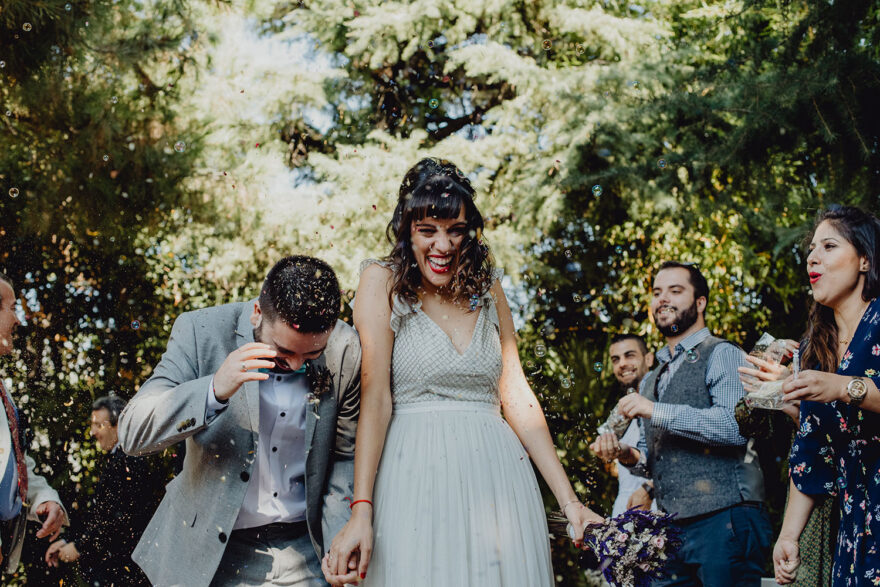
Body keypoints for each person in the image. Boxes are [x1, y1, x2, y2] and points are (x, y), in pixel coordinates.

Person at [323, 158, 603, 586]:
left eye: (455, 230)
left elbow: (515, 392)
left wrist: (570, 503)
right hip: (412, 476)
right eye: (427, 230)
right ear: (406, 229)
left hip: (498, 478)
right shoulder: (381, 281)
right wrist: (362, 508)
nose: (443, 245)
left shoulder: (488, 287)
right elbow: (375, 398)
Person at [117, 256, 362, 586]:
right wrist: (213, 389)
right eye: (283, 353)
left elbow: (344, 456)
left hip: (304, 550)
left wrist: (338, 539)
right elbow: (132, 432)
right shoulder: (201, 331)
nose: (295, 365)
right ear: (257, 312)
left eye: (310, 356)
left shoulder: (345, 348)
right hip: (210, 551)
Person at [593, 261, 770, 586]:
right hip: (672, 529)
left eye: (675, 291)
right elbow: (651, 460)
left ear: (700, 302)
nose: (662, 299)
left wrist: (655, 410)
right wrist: (624, 454)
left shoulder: (722, 353)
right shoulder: (653, 378)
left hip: (725, 520)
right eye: (657, 292)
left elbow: (734, 427)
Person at [771, 205, 880, 586]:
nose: (812, 258)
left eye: (829, 246)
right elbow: (811, 450)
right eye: (811, 250)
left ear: (865, 260)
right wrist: (788, 536)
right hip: (854, 528)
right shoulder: (813, 350)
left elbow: (846, 390)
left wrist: (844, 387)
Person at [45, 395, 158, 585]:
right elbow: (100, 514)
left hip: (127, 572)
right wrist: (67, 541)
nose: (92, 432)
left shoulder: (131, 461)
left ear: (118, 425)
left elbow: (118, 519)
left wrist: (79, 546)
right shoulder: (118, 458)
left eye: (98, 425)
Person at [0, 271, 68, 573]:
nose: (18, 320)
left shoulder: (4, 396)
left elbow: (14, 462)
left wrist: (44, 498)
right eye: (11, 308)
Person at [604, 334, 655, 516]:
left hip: (659, 508)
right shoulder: (620, 409)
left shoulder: (663, 402)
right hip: (624, 511)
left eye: (629, 355)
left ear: (649, 359)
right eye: (616, 359)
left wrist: (651, 488)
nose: (622, 364)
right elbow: (604, 442)